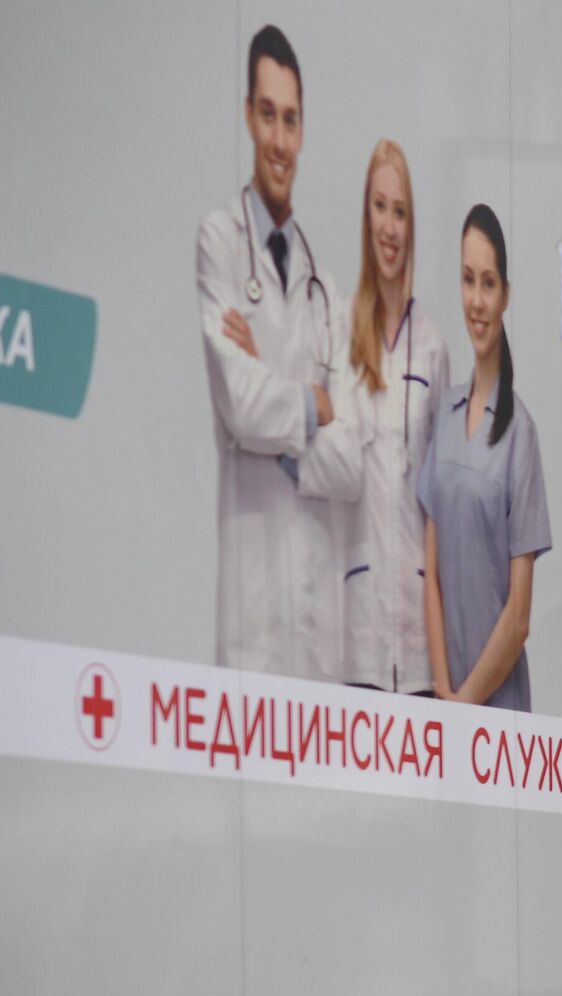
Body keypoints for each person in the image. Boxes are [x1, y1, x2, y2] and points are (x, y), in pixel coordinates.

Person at [197, 24, 364, 679]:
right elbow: (241, 405)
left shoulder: (326, 287)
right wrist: (319, 402)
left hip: (317, 618)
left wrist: (276, 393)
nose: (279, 137)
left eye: (290, 119)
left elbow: (353, 461)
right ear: (248, 116)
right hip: (254, 611)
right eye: (267, 115)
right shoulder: (220, 240)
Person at [417, 204, 550, 711]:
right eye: (467, 280)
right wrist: (443, 691)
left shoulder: (520, 433)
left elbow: (518, 616)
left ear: (506, 294)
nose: (475, 300)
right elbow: (431, 576)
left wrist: (466, 701)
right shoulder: (444, 417)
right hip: (444, 696)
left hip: (498, 707)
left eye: (488, 283)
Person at [340, 140, 451, 695]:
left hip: (415, 629)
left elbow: (441, 494)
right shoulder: (337, 333)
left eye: (400, 211)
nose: (389, 225)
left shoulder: (431, 347)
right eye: (380, 207)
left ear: (411, 226)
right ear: (365, 216)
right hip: (351, 628)